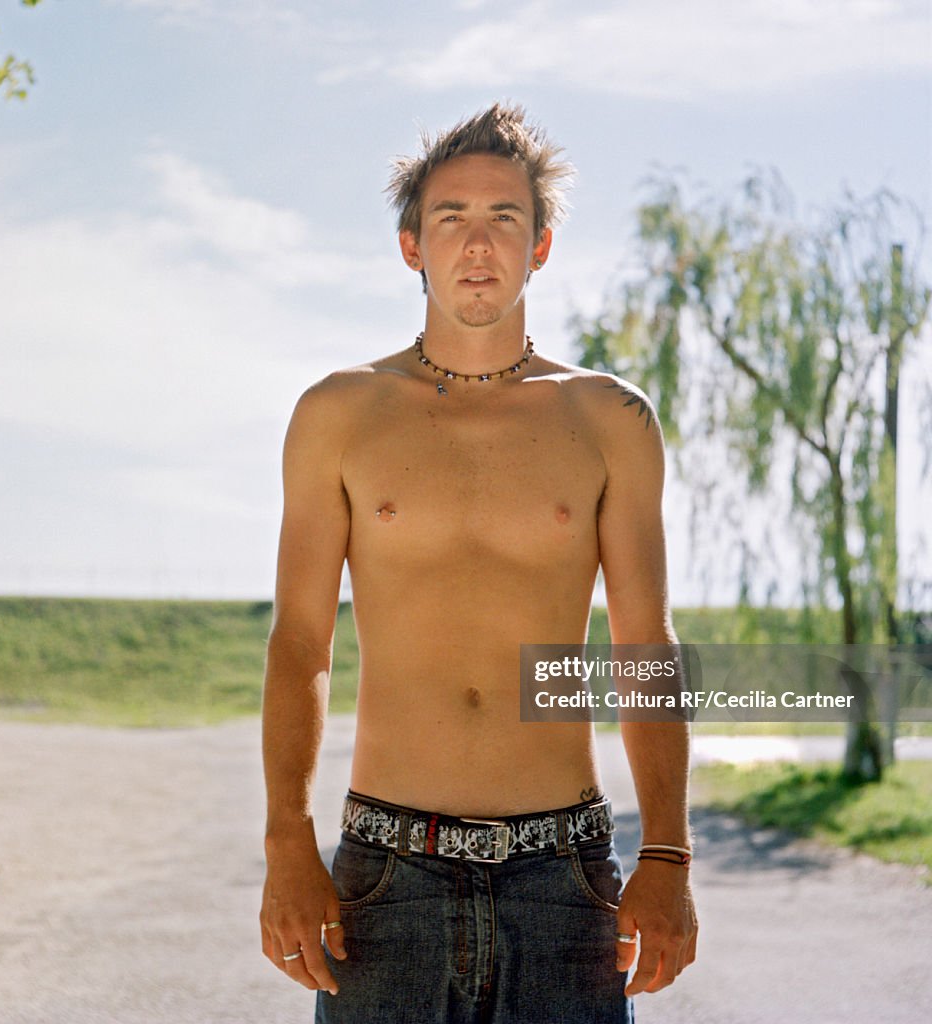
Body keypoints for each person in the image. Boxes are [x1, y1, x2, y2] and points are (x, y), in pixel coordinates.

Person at [260, 103, 698, 1024]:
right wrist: (285, 842)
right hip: (386, 877)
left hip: (562, 879)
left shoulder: (609, 419)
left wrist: (668, 854)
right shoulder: (340, 413)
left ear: (540, 247)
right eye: (452, 217)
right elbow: (301, 642)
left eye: (505, 218)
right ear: (411, 244)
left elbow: (644, 644)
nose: (478, 242)